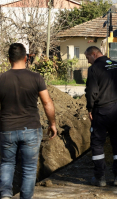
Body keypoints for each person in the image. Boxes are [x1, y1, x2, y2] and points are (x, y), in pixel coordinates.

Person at [0, 43, 57, 199]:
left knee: (6, 163)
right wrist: (52, 124)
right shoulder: (36, 78)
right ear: (26, 58)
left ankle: (5, 194)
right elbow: (47, 103)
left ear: (8, 59)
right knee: (29, 168)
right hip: (31, 129)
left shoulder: (2, 79)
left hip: (7, 129)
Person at [84, 46, 117, 187]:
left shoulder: (94, 69)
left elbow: (91, 91)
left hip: (102, 111)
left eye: (88, 58)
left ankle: (100, 178)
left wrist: (90, 108)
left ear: (94, 54)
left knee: (97, 144)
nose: (88, 62)